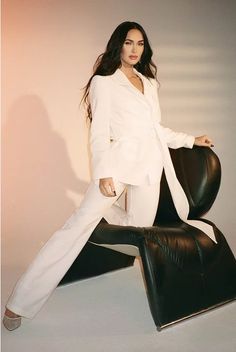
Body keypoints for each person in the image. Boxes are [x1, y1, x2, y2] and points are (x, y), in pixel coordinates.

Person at [3, 21, 215, 331]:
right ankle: (18, 302)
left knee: (139, 230)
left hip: (149, 171)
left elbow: (156, 130)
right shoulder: (104, 82)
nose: (134, 49)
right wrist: (102, 173)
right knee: (75, 228)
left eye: (140, 44)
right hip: (116, 167)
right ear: (119, 45)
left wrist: (190, 139)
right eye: (129, 43)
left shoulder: (149, 83)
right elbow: (98, 132)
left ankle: (109, 219)